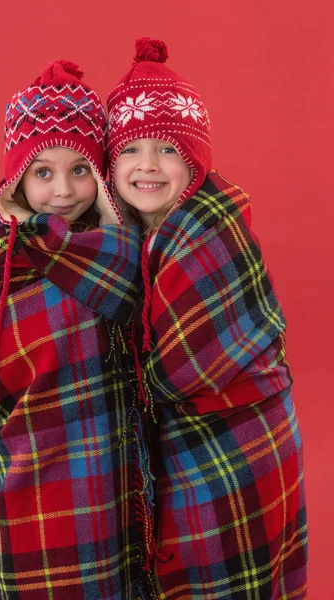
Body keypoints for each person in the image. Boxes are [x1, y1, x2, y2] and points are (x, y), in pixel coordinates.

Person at [107, 37, 308, 599]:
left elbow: (177, 369)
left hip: (239, 441)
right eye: (128, 151)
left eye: (167, 149)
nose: (147, 166)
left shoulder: (210, 231)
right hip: (173, 446)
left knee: (229, 574)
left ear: (195, 161)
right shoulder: (126, 240)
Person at [0, 59, 157, 599]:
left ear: (100, 177)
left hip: (112, 453)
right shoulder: (6, 255)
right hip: (41, 453)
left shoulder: (127, 248)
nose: (62, 190)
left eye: (80, 169)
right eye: (43, 171)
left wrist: (111, 225)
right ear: (19, 178)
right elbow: (6, 354)